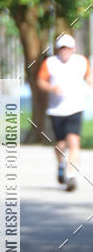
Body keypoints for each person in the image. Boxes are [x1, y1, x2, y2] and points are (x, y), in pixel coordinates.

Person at [36, 33, 93, 191]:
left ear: (74, 49)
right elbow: (40, 81)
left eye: (68, 48)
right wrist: (52, 88)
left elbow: (89, 77)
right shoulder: (50, 63)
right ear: (58, 50)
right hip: (56, 110)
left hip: (75, 107)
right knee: (60, 144)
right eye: (62, 49)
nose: (65, 51)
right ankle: (61, 164)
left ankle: (71, 175)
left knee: (74, 141)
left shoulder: (81, 61)